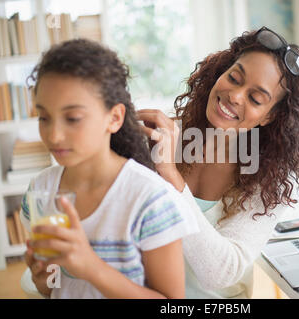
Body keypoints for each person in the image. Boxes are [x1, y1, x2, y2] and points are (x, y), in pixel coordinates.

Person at [137, 26, 299, 298]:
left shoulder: (270, 183)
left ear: (269, 116)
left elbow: (220, 273)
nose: (235, 96)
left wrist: (171, 178)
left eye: (255, 98)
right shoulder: (163, 138)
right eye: (234, 78)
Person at [21, 39, 198, 299]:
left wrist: (91, 267)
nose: (54, 135)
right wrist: (44, 277)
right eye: (44, 117)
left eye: (72, 118)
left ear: (114, 118)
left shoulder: (150, 199)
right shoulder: (41, 191)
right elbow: (54, 287)